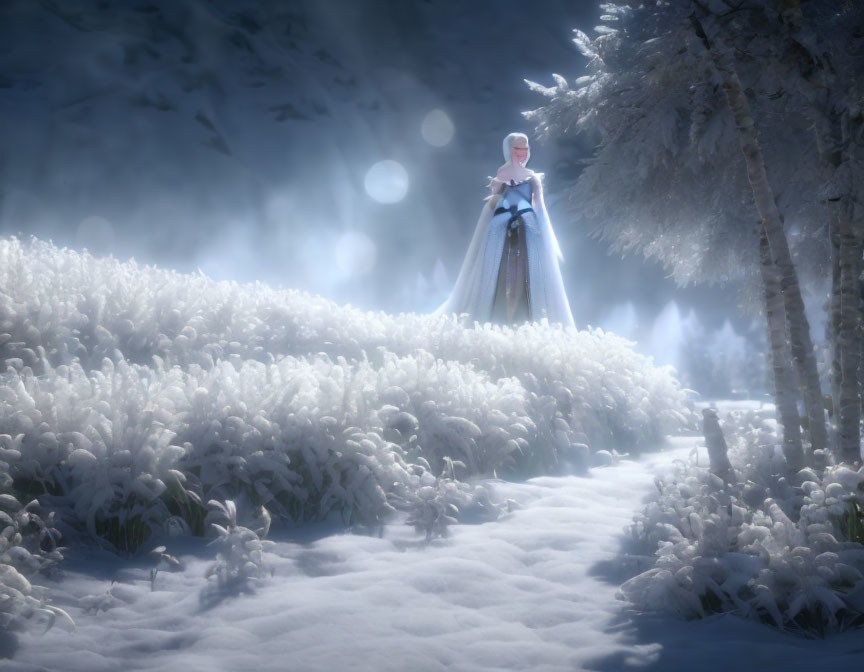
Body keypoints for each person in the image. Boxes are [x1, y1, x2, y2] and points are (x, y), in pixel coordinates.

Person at [434, 132, 575, 327]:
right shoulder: (502, 174)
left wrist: (540, 229)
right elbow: (493, 203)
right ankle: (495, 311)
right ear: (509, 151)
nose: (522, 153)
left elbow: (539, 207)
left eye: (525, 149)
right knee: (498, 272)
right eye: (517, 149)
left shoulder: (533, 179)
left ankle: (526, 314)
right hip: (500, 231)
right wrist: (497, 203)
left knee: (528, 272)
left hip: (529, 232)